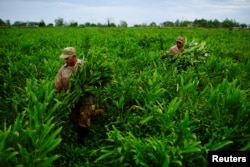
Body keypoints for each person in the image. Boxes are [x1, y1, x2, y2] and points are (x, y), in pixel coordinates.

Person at [55, 47, 104, 145]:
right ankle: (96, 111)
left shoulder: (84, 65)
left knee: (84, 116)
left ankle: (81, 140)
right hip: (72, 97)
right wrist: (56, 93)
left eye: (67, 58)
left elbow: (95, 79)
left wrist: (87, 88)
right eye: (64, 59)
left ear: (74, 56)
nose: (65, 61)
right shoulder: (62, 69)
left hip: (85, 96)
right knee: (74, 117)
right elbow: (58, 83)